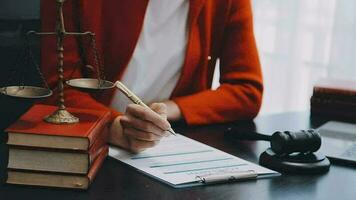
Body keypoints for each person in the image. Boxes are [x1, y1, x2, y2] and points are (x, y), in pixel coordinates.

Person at [41, 0, 263, 153]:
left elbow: (246, 91)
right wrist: (115, 128)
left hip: (171, 148)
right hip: (91, 147)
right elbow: (58, 89)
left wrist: (166, 109)